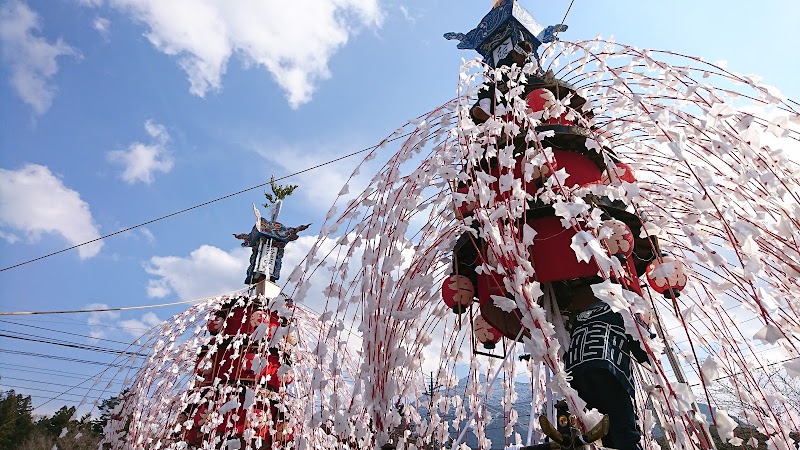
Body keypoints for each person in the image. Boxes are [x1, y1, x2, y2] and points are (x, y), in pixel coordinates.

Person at [563, 283, 649, 450]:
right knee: (623, 425)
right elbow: (642, 345)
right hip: (608, 367)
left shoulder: (582, 314)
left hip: (576, 371)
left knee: (604, 426)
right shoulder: (625, 307)